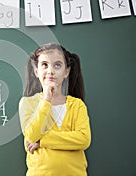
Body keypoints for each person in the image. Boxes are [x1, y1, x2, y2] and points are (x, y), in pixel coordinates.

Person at [19, 42, 91, 176]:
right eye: (44, 65)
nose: (50, 71)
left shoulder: (77, 105)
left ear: (66, 72)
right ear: (36, 71)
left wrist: (42, 141)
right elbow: (32, 135)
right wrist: (46, 100)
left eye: (57, 65)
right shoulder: (28, 103)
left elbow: (83, 139)